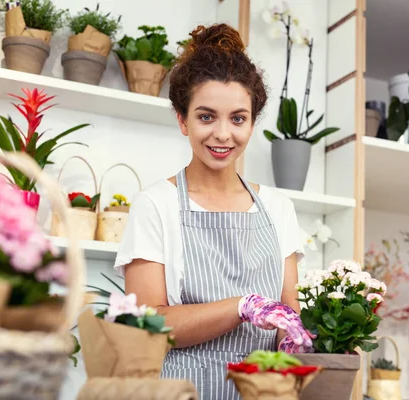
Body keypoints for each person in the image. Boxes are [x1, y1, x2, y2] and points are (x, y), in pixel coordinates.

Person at [113, 23, 314, 399]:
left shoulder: (278, 208)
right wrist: (242, 306)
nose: (223, 134)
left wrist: (296, 347)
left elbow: (290, 313)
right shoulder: (156, 205)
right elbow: (147, 325)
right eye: (206, 116)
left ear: (252, 124)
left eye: (238, 118)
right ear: (182, 120)